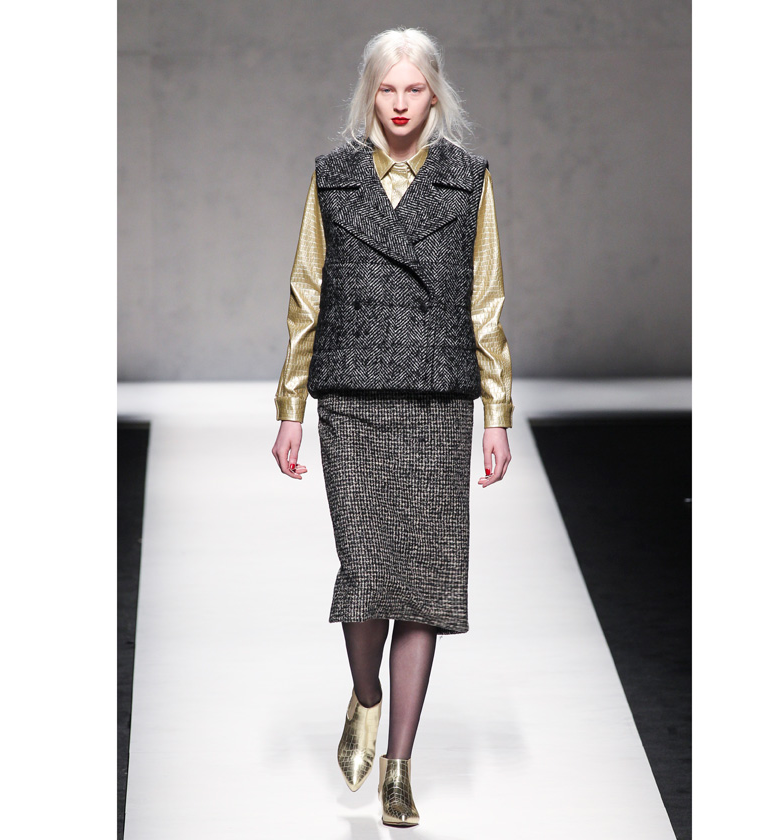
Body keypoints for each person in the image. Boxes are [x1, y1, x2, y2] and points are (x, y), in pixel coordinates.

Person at [269, 26, 513, 828]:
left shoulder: (468, 180)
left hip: (437, 401)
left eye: (414, 89)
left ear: (434, 93)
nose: (401, 104)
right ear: (368, 94)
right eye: (386, 89)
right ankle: (366, 696)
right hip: (353, 397)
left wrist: (497, 415)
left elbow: (486, 302)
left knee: (426, 586)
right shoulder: (333, 178)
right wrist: (291, 408)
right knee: (368, 571)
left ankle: (399, 767)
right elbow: (306, 293)